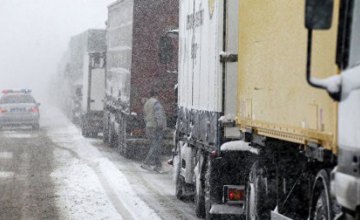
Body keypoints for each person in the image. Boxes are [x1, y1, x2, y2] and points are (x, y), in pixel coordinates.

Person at [141, 90, 167, 172]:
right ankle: (146, 163)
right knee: (155, 146)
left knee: (155, 146)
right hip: (155, 127)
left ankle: (158, 166)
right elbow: (159, 115)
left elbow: (145, 116)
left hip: (149, 126)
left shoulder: (147, 103)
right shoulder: (156, 103)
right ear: (156, 96)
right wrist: (161, 125)